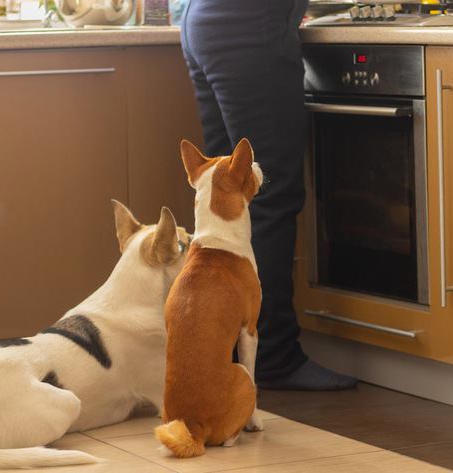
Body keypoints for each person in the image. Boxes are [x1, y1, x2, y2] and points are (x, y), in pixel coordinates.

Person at [181, 0, 357, 390]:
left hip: (204, 21)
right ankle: (275, 356)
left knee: (225, 195)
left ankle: (226, 350)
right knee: (271, 195)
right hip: (248, 28)